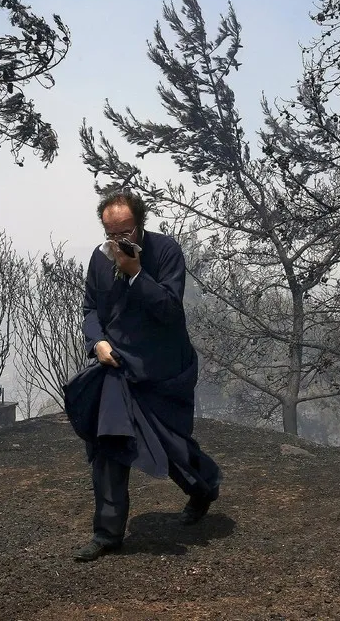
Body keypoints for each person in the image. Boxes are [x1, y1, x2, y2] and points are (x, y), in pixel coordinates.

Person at [67, 189, 222, 562]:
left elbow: (170, 310)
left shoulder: (166, 252)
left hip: (162, 368)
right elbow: (90, 308)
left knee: (172, 447)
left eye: (126, 232)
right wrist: (97, 342)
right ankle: (107, 533)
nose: (118, 241)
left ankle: (203, 487)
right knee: (108, 443)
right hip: (116, 366)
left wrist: (136, 271)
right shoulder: (98, 259)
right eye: (111, 233)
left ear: (140, 223)